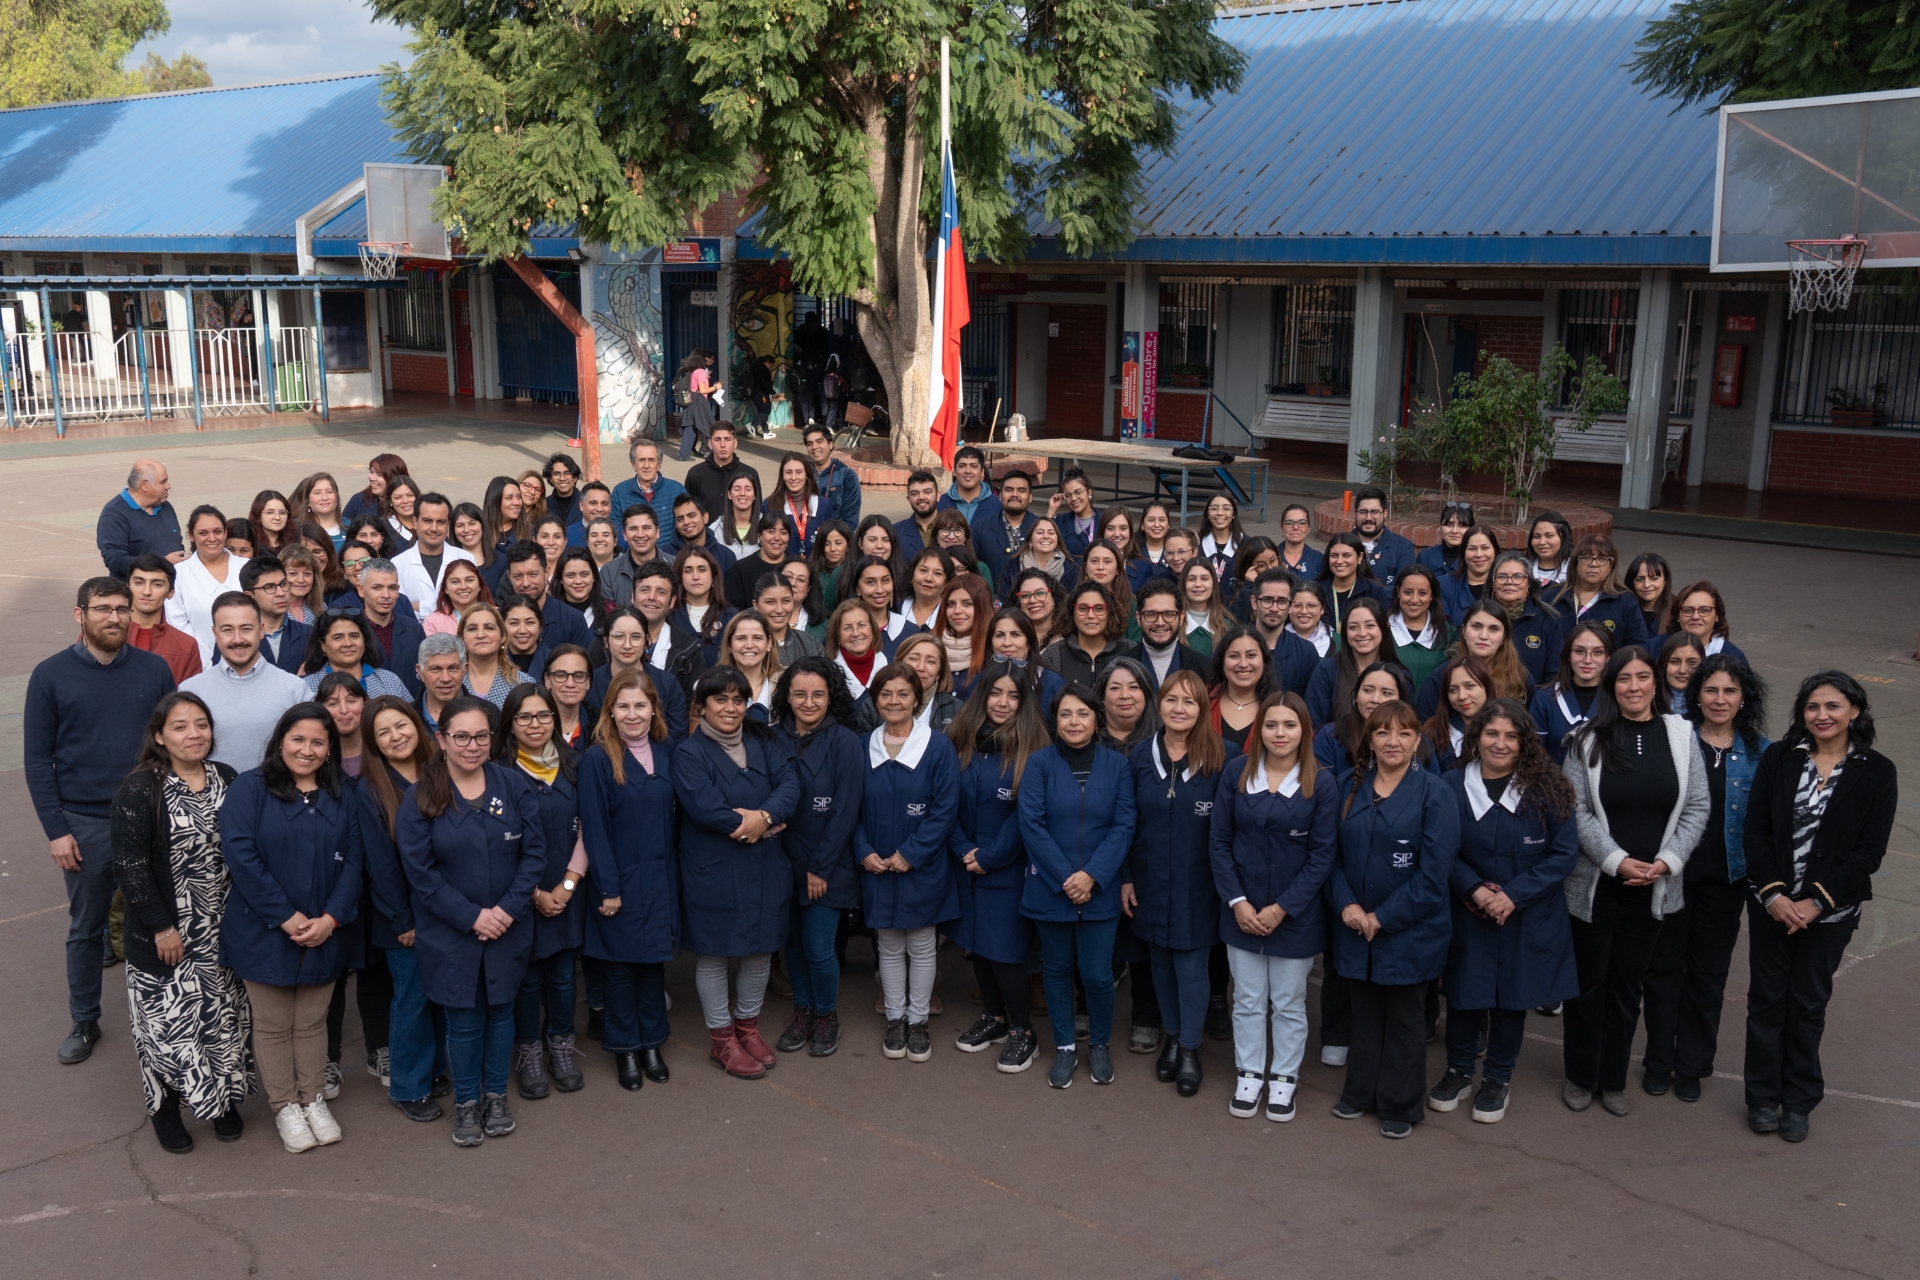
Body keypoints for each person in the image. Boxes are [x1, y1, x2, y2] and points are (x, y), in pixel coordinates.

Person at [1740, 672, 1896, 1143]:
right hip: (1772, 906)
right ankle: (1762, 1097)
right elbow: (1755, 831)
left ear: (1855, 711)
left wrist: (1816, 902)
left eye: (1832, 706)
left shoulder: (1877, 771)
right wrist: (1774, 895)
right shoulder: (1780, 757)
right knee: (1767, 1000)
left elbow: (1869, 852)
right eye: (1812, 707)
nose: (1821, 715)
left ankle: (1799, 1100)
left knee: (1808, 1005)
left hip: (1830, 914)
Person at [1560, 646, 1709, 1117]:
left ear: (1655, 682)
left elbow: (1697, 805)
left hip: (1653, 887)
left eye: (1642, 677)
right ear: (1611, 686)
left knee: (1628, 986)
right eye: (1623, 678)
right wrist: (1617, 861)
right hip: (1597, 887)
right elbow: (1575, 809)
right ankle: (1581, 1076)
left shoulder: (1681, 735)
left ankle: (1613, 1079)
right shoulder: (1585, 739)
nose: (1634, 687)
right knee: (1589, 984)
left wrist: (1667, 862)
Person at [397, 697, 546, 1146]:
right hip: (450, 933)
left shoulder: (513, 785)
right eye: (460, 736)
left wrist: (505, 911)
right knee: (463, 1019)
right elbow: (420, 874)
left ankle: (495, 1096)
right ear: (441, 739)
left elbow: (534, 855)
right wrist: (472, 916)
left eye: (481, 735)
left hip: (508, 926)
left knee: (501, 1013)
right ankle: (466, 1102)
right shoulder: (420, 796)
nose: (472, 745)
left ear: (492, 738)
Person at [1425, 700, 1580, 1124]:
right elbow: (1439, 847)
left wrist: (1512, 895)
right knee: (1464, 995)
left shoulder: (1548, 787)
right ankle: (1459, 1070)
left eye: (1512, 736)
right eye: (1492, 733)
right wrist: (1474, 889)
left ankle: (1497, 1078)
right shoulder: (1451, 784)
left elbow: (1563, 854)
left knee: (1513, 999)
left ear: (1525, 741)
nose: (1501, 743)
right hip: (1467, 909)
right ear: (1476, 737)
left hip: (1526, 913)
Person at [218, 703, 363, 1152]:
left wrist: (331, 918)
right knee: (274, 1023)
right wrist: (285, 916)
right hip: (263, 929)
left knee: (313, 1022)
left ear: (330, 748)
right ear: (280, 740)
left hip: (326, 928)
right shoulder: (250, 788)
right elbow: (241, 857)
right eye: (298, 739)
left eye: (318, 742)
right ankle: (285, 1106)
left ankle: (313, 1099)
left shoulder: (342, 793)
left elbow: (355, 861)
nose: (307, 749)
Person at [109, 692, 247, 1153]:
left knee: (221, 1020)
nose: (194, 734)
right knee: (167, 1029)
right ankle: (165, 1111)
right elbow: (130, 867)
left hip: (221, 928)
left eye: (201, 724)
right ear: (159, 736)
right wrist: (161, 927)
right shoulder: (140, 789)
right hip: (167, 932)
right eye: (181, 726)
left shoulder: (226, 777)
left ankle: (222, 1101)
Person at [1639, 655, 1769, 1104]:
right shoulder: (1675, 738)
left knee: (1707, 976)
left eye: (1730, 691)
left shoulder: (1761, 752)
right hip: (1672, 875)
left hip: (1726, 882)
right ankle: (1658, 1060)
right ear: (1697, 695)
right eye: (1711, 690)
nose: (1719, 699)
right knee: (1662, 971)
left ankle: (1692, 1065)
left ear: (1744, 698)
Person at [1328, 699, 1460, 1138]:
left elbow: (1434, 876)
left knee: (1404, 1019)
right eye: (1383, 732)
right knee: (1364, 1012)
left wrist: (1382, 917)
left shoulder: (1436, 793)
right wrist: (1347, 905)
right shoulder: (1347, 785)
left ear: (1417, 740)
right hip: (1355, 925)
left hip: (1411, 929)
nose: (1393, 741)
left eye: (1404, 733)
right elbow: (1330, 858)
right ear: (1369, 739)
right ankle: (1359, 1092)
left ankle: (1400, 1104)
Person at [1209, 689, 1336, 1120]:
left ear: (1305, 730)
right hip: (1241, 911)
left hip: (1295, 916)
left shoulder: (1322, 782)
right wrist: (1238, 902)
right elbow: (1219, 842)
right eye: (1271, 724)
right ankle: (1249, 1074)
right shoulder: (1236, 773)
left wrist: (1282, 908)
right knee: (1246, 999)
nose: (1280, 733)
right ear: (1259, 729)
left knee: (1288, 1001)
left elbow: (1322, 856)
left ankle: (1284, 1077)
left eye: (1289, 724)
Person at [672, 667, 801, 1079]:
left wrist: (765, 817)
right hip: (713, 868)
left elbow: (790, 785)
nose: (730, 708)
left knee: (760, 951)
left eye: (738, 700)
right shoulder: (687, 753)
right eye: (720, 699)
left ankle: (748, 1028)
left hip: (765, 866)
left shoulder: (765, 740)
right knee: (714, 954)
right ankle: (722, 1039)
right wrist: (758, 826)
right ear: (702, 706)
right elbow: (705, 808)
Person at [1019, 687, 1139, 1089]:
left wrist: (1092, 876)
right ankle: (1066, 1047)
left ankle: (1100, 1045)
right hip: (1051, 888)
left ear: (1097, 720)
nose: (1074, 722)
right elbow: (1031, 825)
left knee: (1097, 975)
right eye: (1065, 714)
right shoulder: (1039, 763)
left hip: (1099, 889)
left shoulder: (1117, 765)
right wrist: (1066, 878)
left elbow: (1124, 825)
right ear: (1055, 722)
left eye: (1083, 714)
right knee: (1055, 970)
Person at [1127, 669, 1239, 1098]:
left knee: (1191, 966)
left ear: (1203, 709)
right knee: (1159, 960)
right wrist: (1125, 878)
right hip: (1150, 878)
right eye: (1171, 699)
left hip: (1201, 884)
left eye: (1189, 701)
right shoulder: (1140, 756)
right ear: (1158, 705)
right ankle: (1172, 1038)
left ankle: (1191, 1049)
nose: (1179, 708)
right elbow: (1125, 822)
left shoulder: (1225, 757)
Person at [486, 684, 588, 1100]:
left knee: (563, 977)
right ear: (509, 724)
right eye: (524, 717)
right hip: (520, 896)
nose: (535, 724)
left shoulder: (575, 765)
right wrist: (534, 894)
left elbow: (589, 829)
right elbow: (496, 846)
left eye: (544, 715)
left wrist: (567, 885)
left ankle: (561, 1046)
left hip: (568, 892)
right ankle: (528, 1051)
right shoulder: (495, 773)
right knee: (527, 979)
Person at [944, 657, 1046, 1073]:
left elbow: (1027, 817)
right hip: (965, 863)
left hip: (1006, 869)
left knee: (1004, 953)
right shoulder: (958, 739)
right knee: (978, 948)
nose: (1002, 702)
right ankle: (996, 1017)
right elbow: (943, 803)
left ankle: (1023, 1031)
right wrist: (963, 849)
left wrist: (989, 857)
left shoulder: (1034, 751)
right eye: (995, 692)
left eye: (1013, 695)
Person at [579, 669, 679, 1089]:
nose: (632, 714)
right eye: (623, 706)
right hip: (618, 881)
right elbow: (594, 829)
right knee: (620, 970)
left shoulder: (667, 751)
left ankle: (652, 1043)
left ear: (654, 708)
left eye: (640, 705)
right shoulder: (597, 759)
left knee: (653, 966)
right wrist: (609, 888)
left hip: (660, 879)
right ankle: (625, 1050)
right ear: (610, 711)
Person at [855, 664, 960, 1063]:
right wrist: (862, 850)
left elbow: (944, 810)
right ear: (875, 700)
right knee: (887, 944)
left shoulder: (938, 747)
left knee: (921, 945)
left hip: (922, 865)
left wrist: (911, 854)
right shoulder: (862, 746)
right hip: (876, 864)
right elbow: (851, 808)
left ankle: (918, 1020)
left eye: (903, 693)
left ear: (918, 698)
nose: (894, 701)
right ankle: (895, 1018)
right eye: (886, 694)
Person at [355, 696, 446, 1122]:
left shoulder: (441, 771)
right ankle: (408, 1087)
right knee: (413, 999)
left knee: (443, 994)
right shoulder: (370, 789)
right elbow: (380, 866)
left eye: (401, 725)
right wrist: (403, 921)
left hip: (448, 909)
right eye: (383, 732)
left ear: (417, 724)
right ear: (372, 742)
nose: (396, 736)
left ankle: (436, 1069)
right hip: (404, 919)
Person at [769, 658, 867, 1058]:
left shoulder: (845, 740)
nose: (808, 702)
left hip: (827, 865)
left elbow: (845, 811)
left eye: (818, 695)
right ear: (787, 696)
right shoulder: (773, 737)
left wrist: (819, 868)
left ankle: (826, 1015)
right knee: (792, 944)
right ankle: (802, 1011)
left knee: (818, 946)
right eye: (799, 694)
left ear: (832, 697)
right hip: (781, 861)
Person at [181, 593, 308, 770]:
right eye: (227, 630)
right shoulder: (190, 691)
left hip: (277, 787)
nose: (238, 639)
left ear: (261, 630)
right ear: (215, 633)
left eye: (246, 629)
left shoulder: (295, 689)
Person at [1415, 600, 1534, 718]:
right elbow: (1427, 726)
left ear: (1504, 636)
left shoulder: (1520, 677)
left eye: (1493, 629)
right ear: (1463, 630)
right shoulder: (1439, 678)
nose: (1483, 636)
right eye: (1476, 627)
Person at [1305, 597, 1398, 731]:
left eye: (1370, 625)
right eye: (1353, 627)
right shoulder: (1327, 670)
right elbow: (1314, 725)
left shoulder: (1398, 673)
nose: (1362, 633)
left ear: (1385, 627)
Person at [1530, 621, 1614, 765]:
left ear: (1608, 657)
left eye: (1597, 652)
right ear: (1568, 655)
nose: (1587, 660)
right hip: (1554, 779)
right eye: (1579, 651)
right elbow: (1533, 756)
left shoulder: (1617, 698)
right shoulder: (1545, 699)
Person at [1550, 535, 1648, 651]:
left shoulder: (1626, 601)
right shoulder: (1552, 597)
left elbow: (1638, 647)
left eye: (1602, 558)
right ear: (1576, 563)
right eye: (1586, 557)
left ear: (1611, 565)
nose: (1594, 564)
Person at [1041, 580, 1138, 691]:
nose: (1091, 615)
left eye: (1099, 609)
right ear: (1071, 612)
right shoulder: (1053, 655)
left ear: (1110, 613)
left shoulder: (1131, 650)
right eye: (1083, 608)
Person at [1485, 551, 1563, 686]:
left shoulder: (1548, 620)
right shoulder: (1478, 616)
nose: (1509, 582)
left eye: (1518, 576)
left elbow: (1554, 675)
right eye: (1502, 576)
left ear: (1528, 583)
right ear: (1493, 583)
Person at [301, 610, 413, 701]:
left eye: (354, 636)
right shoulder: (306, 687)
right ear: (323, 645)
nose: (348, 643)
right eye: (338, 637)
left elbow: (411, 719)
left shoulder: (390, 681)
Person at [98, 459, 184, 577]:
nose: (168, 486)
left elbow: (177, 544)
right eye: (163, 482)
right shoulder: (114, 514)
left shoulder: (165, 507)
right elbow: (115, 560)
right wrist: (161, 564)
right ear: (144, 485)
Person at [393, 494, 476, 615]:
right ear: (415, 522)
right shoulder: (398, 564)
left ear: (448, 525)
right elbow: (401, 609)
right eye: (427, 521)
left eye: (441, 522)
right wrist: (451, 604)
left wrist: (419, 607)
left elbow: (469, 604)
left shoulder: (465, 558)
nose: (434, 528)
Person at [124, 555, 203, 683]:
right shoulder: (104, 636)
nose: (146, 591)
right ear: (127, 587)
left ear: (170, 592)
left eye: (157, 584)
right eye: (139, 583)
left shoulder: (186, 645)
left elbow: (189, 693)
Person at [501, 541, 592, 651]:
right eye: (518, 576)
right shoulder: (499, 619)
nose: (526, 583)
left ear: (546, 572)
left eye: (533, 574)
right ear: (509, 577)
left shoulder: (573, 620)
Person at [971, 468, 1039, 599]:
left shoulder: (1040, 528)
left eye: (1021, 490)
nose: (1014, 494)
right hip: (991, 603)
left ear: (1030, 497)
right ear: (1000, 495)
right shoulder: (981, 528)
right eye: (1009, 490)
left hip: (1032, 602)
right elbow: (974, 570)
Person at [1134, 578, 1209, 694]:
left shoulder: (1205, 667)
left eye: (1169, 614)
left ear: (1181, 617)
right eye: (1151, 614)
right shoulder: (1118, 664)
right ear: (1139, 618)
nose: (1160, 622)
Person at [1419, 654, 1490, 773]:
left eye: (1470, 686)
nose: (1462, 696)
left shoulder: (1504, 727)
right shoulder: (1432, 731)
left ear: (1487, 687)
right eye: (1453, 690)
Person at [609, 438, 689, 545]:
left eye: (651, 460)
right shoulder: (620, 491)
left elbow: (685, 528)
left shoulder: (677, 490)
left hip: (669, 554)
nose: (646, 465)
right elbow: (616, 530)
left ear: (659, 464)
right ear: (633, 464)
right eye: (641, 460)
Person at [1210, 626, 1275, 755]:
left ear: (1264, 660)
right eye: (1234, 656)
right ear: (1222, 663)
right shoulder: (1202, 700)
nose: (1243, 664)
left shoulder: (1280, 707)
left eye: (1251, 655)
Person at [685, 421, 762, 524]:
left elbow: (757, 509)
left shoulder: (750, 473)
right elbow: (688, 510)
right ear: (710, 444)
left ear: (735, 442)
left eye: (727, 439)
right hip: (707, 533)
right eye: (717, 439)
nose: (723, 445)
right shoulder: (695, 474)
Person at [1387, 565, 1449, 693]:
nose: (1414, 600)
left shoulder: (1448, 634)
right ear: (1398, 592)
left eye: (1422, 593)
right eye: (1408, 592)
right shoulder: (1382, 630)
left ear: (1432, 595)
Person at [1663, 580, 1748, 666]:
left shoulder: (1735, 657)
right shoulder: (1657, 647)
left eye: (1704, 610)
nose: (1695, 617)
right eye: (1688, 610)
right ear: (1677, 615)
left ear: (1717, 615)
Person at [1317, 533, 1389, 632]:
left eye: (1346, 555)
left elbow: (1382, 629)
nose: (1339, 561)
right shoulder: (1316, 590)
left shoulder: (1374, 590)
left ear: (1360, 557)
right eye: (1334, 555)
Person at [1348, 486, 1416, 590]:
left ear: (1385, 514)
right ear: (1355, 513)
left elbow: (1404, 588)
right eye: (1363, 512)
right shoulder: (1341, 545)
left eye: (1375, 512)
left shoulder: (1403, 547)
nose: (1368, 518)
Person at [724, 515, 796, 611]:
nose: (777, 537)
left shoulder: (798, 568)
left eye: (783, 533)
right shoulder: (741, 569)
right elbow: (732, 610)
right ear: (760, 535)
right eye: (771, 531)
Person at [895, 632, 962, 734]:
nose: (921, 667)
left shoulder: (956, 708)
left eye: (930, 661)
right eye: (914, 658)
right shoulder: (875, 704)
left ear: (939, 672)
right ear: (899, 664)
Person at [937, 573, 991, 698]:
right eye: (951, 604)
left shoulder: (995, 649)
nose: (957, 611)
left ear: (982, 606)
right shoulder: (930, 644)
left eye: (967, 604)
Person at [755, 572, 823, 668]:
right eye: (770, 602)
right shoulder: (746, 646)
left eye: (786, 601)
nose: (779, 610)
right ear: (756, 605)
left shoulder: (811, 644)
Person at [804, 421, 863, 527]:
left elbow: (851, 520)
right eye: (809, 444)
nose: (814, 447)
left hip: (835, 535)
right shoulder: (801, 473)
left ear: (831, 444)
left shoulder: (847, 476)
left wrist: (832, 535)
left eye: (819, 441)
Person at [767, 451, 824, 556]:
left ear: (807, 475)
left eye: (799, 472)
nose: (793, 477)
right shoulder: (769, 505)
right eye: (788, 472)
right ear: (782, 476)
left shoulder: (823, 505)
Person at [1439, 526, 1500, 625]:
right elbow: (1443, 629)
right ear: (1463, 553)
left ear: (1495, 552)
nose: (1479, 554)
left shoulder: (1505, 586)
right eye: (1472, 548)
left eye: (1485, 548)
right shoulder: (1444, 585)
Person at [422, 560, 494, 639]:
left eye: (469, 580)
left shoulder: (497, 614)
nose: (463, 587)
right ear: (445, 588)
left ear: (480, 585)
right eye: (455, 582)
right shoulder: (432, 622)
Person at [1179, 558, 1235, 657]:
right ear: (1184, 584)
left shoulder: (1227, 624)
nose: (1198, 584)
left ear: (1213, 583)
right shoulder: (1172, 622)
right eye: (1191, 579)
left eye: (1204, 578)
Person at [414, 634, 469, 734]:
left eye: (453, 668)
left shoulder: (488, 713)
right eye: (435, 669)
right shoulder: (405, 718)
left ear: (464, 670)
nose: (445, 678)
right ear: (420, 672)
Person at [674, 349, 718, 460]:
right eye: (706, 358)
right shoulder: (701, 372)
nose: (708, 360)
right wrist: (715, 387)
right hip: (699, 401)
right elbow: (703, 390)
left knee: (690, 427)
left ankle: (683, 455)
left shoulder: (693, 371)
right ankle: (715, 455)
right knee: (708, 426)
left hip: (691, 400)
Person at [1625, 552, 1675, 644]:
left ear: (1665, 581)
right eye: (1640, 579)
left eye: (1654, 578)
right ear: (1632, 582)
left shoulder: (1677, 611)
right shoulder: (1623, 610)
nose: (1647, 585)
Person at [344, 454, 408, 525]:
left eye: (379, 474)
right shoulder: (359, 500)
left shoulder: (409, 503)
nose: (372, 478)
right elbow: (343, 528)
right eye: (371, 472)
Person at [893, 469, 943, 560]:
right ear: (908, 499)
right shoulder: (896, 532)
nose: (921, 497)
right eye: (915, 494)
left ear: (938, 496)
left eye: (927, 492)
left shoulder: (954, 529)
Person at [938, 444, 996, 523]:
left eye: (973, 466)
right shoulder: (939, 504)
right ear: (954, 471)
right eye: (962, 466)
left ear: (982, 472)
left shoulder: (997, 506)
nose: (968, 471)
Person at [1013, 567, 1065, 651]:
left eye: (1040, 593)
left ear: (1054, 597)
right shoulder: (1010, 637)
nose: (1032, 600)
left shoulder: (1068, 635)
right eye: (1025, 595)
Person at [1414, 502, 1474, 574]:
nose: (1454, 531)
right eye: (1449, 524)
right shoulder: (1425, 556)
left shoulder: (1476, 558)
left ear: (1471, 529)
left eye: (1462, 525)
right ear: (1441, 527)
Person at [290, 473, 346, 549]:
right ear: (308, 501)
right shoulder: (296, 529)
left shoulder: (351, 526)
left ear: (337, 497)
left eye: (329, 492)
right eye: (317, 493)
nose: (325, 498)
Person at [1657, 630, 1706, 715]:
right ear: (1663, 664)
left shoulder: (1711, 707)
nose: (1682, 670)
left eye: (1692, 662)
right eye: (1674, 661)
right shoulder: (1647, 705)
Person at [1272, 503, 1322, 581]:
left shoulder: (1319, 560)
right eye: (1289, 523)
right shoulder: (1270, 558)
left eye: (1302, 523)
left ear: (1308, 529)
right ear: (1282, 528)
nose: (1295, 527)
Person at [1198, 493, 1244, 577]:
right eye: (1214, 508)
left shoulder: (1246, 544)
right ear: (1207, 514)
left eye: (1226, 508)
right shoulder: (1197, 545)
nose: (1220, 513)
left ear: (1233, 514)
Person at [1526, 511, 1573, 591]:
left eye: (1549, 536)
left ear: (1564, 538)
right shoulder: (1522, 568)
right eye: (1537, 536)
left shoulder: (1575, 569)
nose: (1542, 542)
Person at [542, 452, 585, 529]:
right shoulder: (543, 506)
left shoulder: (587, 504)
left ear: (575, 478)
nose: (562, 478)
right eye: (556, 474)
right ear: (550, 479)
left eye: (567, 473)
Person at [249, 490, 293, 554]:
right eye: (270, 513)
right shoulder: (251, 545)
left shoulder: (294, 543)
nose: (277, 518)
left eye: (282, 513)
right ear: (258, 516)